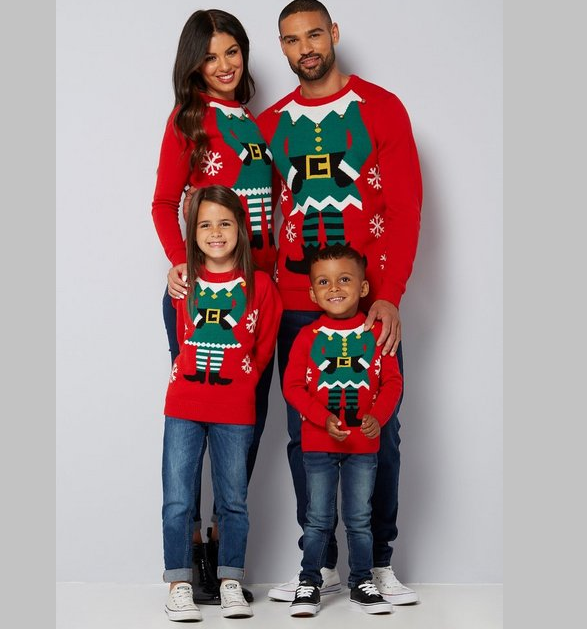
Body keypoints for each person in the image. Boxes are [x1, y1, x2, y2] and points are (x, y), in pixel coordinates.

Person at [257, 0, 422, 604]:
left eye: (314, 34)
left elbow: (404, 208)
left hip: (369, 303)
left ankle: (377, 562)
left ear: (334, 34)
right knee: (308, 434)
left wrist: (391, 295)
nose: (305, 48)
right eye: (291, 39)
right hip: (295, 301)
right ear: (283, 48)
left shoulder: (381, 108)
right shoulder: (272, 124)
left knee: (383, 427)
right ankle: (319, 563)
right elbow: (259, 214)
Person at [150, 9, 276, 604]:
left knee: (242, 425)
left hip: (259, 292)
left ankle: (226, 551)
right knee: (199, 406)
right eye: (211, 55)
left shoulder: (253, 124)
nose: (224, 65)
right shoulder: (190, 120)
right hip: (204, 295)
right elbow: (162, 201)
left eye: (233, 52)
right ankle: (192, 550)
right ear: (193, 63)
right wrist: (180, 261)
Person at [161, 185, 282, 621]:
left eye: (225, 223)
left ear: (241, 229)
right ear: (192, 232)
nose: (215, 232)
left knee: (233, 500)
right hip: (184, 405)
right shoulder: (183, 282)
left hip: (235, 409)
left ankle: (231, 580)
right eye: (205, 224)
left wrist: (246, 375)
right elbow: (179, 340)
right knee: (177, 498)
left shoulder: (261, 286)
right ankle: (179, 583)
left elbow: (264, 344)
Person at [283, 244, 403, 616]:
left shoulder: (376, 333)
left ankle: (362, 581)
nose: (335, 288)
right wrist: (321, 418)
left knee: (359, 518)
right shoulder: (308, 336)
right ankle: (309, 581)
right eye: (324, 281)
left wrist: (378, 418)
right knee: (318, 518)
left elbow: (392, 383)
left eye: (345, 279)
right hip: (318, 444)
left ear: (364, 288)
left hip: (363, 448)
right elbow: (293, 387)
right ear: (313, 293)